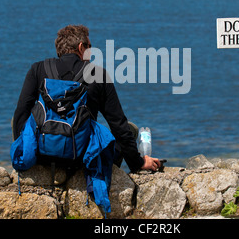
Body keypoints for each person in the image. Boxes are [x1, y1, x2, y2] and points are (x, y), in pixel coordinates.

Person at [12, 24, 160, 172]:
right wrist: (138, 162)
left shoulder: (38, 69)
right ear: (81, 47)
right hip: (81, 159)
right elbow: (118, 124)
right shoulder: (97, 74)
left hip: (42, 156)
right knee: (130, 129)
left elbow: (20, 114)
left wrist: (24, 154)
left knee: (24, 119)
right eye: (90, 47)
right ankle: (108, 174)